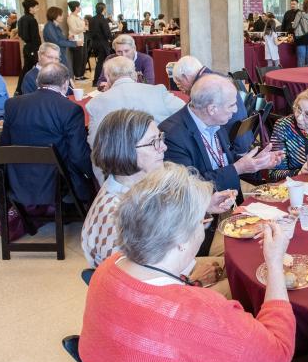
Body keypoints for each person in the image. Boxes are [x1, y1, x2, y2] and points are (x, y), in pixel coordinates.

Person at [80, 164, 308, 362]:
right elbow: (276, 356)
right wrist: (275, 264)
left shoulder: (107, 271)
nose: (203, 229)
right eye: (202, 220)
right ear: (179, 239)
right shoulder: (198, 314)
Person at [82, 109, 237, 277]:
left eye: (160, 138)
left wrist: (204, 206)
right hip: (169, 285)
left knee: (238, 254)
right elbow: (136, 287)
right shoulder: (115, 216)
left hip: (174, 267)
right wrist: (194, 279)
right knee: (238, 276)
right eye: (153, 142)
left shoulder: (139, 188)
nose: (163, 147)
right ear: (125, 150)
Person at [159, 74, 282, 197]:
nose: (235, 110)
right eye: (232, 105)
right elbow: (188, 188)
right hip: (205, 212)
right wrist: (237, 168)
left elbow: (224, 160)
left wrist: (256, 162)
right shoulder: (172, 136)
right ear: (212, 109)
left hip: (231, 202)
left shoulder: (215, 119)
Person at [1, 63, 95, 206]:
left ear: (38, 82)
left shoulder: (12, 104)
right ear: (65, 83)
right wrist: (95, 173)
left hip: (18, 182)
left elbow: (5, 144)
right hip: (58, 185)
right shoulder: (70, 109)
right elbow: (78, 155)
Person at [85, 56, 185, 148]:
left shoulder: (95, 103)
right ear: (134, 74)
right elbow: (185, 112)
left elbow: (94, 142)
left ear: (107, 77)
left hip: (115, 163)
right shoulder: (157, 91)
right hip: (156, 157)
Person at [15, 0, 41, 95]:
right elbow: (34, 37)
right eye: (36, 7)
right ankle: (23, 89)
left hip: (27, 47)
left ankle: (19, 89)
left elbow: (22, 35)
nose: (37, 9)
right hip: (33, 47)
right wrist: (38, 49)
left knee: (26, 69)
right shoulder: (31, 20)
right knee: (31, 69)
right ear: (31, 8)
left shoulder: (21, 19)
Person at [90, 2, 113, 87]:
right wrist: (112, 39)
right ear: (103, 9)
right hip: (103, 44)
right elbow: (107, 33)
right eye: (105, 8)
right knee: (102, 62)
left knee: (100, 62)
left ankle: (98, 79)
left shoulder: (92, 19)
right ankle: (97, 80)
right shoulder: (102, 19)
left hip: (95, 44)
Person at [67, 1, 87, 81]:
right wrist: (84, 28)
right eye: (79, 6)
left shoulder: (78, 16)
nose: (80, 8)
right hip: (75, 40)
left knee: (83, 57)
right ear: (76, 7)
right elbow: (74, 29)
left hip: (81, 38)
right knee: (78, 58)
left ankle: (81, 74)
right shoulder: (70, 18)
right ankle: (78, 75)